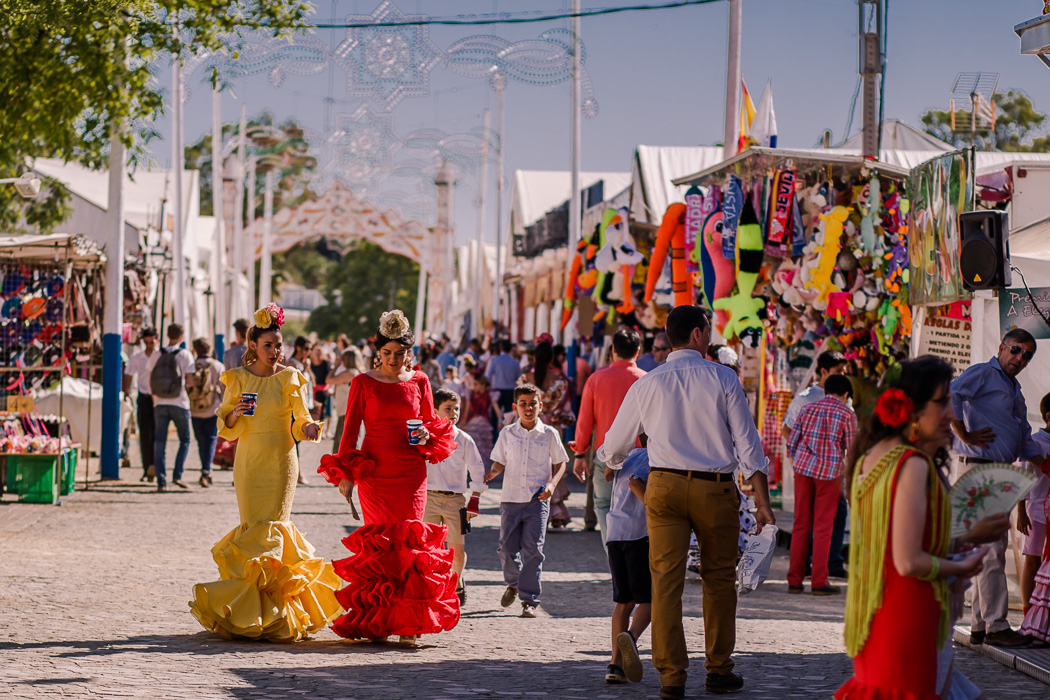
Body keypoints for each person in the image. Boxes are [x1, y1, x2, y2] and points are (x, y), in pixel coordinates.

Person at [598, 305, 773, 698]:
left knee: (665, 582)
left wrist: (610, 463)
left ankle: (671, 676)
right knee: (718, 580)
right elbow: (749, 447)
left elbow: (613, 446)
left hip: (664, 488)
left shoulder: (647, 384)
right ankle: (718, 668)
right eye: (707, 331)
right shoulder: (723, 378)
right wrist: (762, 502)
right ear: (697, 334)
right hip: (715, 489)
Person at [836, 356, 1003, 699]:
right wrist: (962, 565)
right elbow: (909, 560)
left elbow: (898, 538)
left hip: (880, 612)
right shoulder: (911, 463)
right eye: (942, 402)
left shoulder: (873, 456)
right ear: (910, 408)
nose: (951, 415)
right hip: (908, 612)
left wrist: (967, 537)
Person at [189, 304, 340, 640]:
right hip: (249, 460)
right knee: (253, 528)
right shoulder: (238, 378)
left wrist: (311, 429)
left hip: (282, 459)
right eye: (269, 345)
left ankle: (278, 613)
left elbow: (301, 419)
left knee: (275, 528)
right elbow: (226, 425)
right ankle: (249, 612)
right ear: (254, 346)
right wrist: (234, 413)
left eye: (279, 345)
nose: (275, 351)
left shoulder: (291, 377)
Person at [318, 309, 459, 645]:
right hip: (375, 473)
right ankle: (378, 621)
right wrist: (344, 476)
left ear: (409, 353)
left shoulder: (420, 381)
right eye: (387, 353)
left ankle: (409, 625)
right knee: (383, 544)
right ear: (377, 353)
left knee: (410, 541)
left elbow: (429, 424)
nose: (394, 360)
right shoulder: (362, 382)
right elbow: (349, 432)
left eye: (400, 353)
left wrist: (425, 436)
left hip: (411, 471)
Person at [951, 328, 1042, 648]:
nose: (1021, 358)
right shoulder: (984, 372)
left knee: (988, 552)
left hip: (997, 473)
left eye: (1028, 355)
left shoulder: (1012, 386)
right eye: (1016, 350)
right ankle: (996, 626)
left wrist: (1043, 464)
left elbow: (1025, 439)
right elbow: (952, 394)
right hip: (981, 471)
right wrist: (963, 434)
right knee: (991, 552)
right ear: (1002, 347)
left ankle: (980, 625)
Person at [485, 383, 569, 618]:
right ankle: (514, 583)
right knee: (506, 550)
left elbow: (561, 461)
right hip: (510, 499)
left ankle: (529, 599)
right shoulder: (507, 433)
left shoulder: (550, 434)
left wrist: (552, 485)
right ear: (515, 407)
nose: (528, 408)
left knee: (533, 551)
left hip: (537, 500)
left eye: (533, 403)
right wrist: (493, 472)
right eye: (523, 404)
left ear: (540, 406)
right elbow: (499, 460)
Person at [572, 328, 647, 545]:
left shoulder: (596, 379)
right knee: (639, 509)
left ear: (612, 350)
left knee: (604, 505)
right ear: (638, 351)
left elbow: (585, 422)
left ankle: (612, 556)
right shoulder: (647, 380)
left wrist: (579, 454)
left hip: (605, 455)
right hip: (640, 456)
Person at [786, 374, 857, 595]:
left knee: (800, 525)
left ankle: (795, 580)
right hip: (829, 473)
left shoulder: (808, 409)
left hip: (804, 470)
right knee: (823, 528)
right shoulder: (847, 414)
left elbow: (792, 441)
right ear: (845, 394)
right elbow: (852, 450)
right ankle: (818, 581)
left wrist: (796, 462)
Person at [425, 388, 487, 605]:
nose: (453, 413)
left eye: (456, 409)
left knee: (456, 551)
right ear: (435, 410)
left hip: (455, 500)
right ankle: (433, 588)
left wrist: (475, 499)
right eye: (448, 409)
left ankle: (457, 580)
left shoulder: (465, 439)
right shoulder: (425, 436)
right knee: (429, 550)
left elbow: (477, 469)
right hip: (428, 499)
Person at [603, 445, 652, 686]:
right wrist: (656, 510)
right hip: (637, 534)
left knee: (624, 602)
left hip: (614, 533)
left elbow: (607, 473)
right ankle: (630, 639)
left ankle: (615, 666)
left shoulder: (628, 454)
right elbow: (635, 483)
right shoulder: (654, 456)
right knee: (651, 600)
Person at [521, 340, 576, 528]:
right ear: (552, 358)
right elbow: (565, 412)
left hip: (529, 427)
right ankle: (554, 512)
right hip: (551, 428)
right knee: (552, 468)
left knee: (530, 468)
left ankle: (529, 511)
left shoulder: (524, 380)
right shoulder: (559, 383)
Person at [152, 323, 195, 493]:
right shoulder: (185, 355)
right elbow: (190, 381)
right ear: (182, 336)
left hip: (159, 403)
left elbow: (150, 377)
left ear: (167, 335)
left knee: (160, 442)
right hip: (179, 402)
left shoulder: (157, 353)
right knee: (185, 440)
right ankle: (177, 475)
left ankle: (161, 481)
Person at [1018, 392, 1050, 615]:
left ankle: (1042, 614)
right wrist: (1021, 512)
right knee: (1032, 561)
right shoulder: (1035, 443)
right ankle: (1028, 612)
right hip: (1036, 511)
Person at [187, 337, 224, 488]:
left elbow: (188, 384)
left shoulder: (191, 365)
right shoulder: (217, 366)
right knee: (211, 439)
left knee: (201, 441)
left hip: (194, 409)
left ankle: (205, 468)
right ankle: (206, 471)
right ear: (209, 349)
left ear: (195, 349)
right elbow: (223, 388)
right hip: (212, 409)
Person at [126, 327, 159, 482]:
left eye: (151, 342)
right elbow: (129, 375)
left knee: (158, 435)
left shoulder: (161, 356)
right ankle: (147, 468)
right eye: (146, 342)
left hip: (159, 399)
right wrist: (126, 392)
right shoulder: (136, 357)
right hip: (144, 398)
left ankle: (158, 467)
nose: (149, 346)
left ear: (156, 340)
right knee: (145, 435)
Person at [328, 346, 365, 450]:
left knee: (341, 449)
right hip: (351, 412)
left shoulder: (349, 373)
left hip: (346, 413)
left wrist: (336, 365)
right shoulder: (357, 372)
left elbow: (329, 380)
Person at [461, 372, 496, 471]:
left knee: (484, 447)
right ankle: (473, 469)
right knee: (473, 446)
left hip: (484, 422)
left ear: (483, 385)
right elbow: (467, 409)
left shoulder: (490, 394)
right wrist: (464, 421)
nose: (474, 387)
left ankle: (484, 469)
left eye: (476, 384)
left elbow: (494, 407)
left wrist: (501, 419)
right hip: (473, 422)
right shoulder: (471, 394)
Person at [485, 339, 521, 418]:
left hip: (497, 389)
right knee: (508, 416)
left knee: (495, 414)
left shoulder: (494, 360)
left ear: (501, 348)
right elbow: (519, 378)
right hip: (510, 390)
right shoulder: (515, 362)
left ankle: (494, 430)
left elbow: (487, 375)